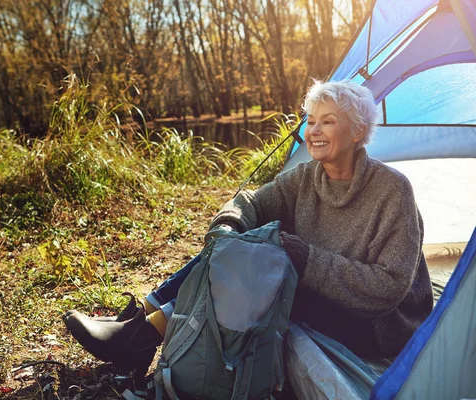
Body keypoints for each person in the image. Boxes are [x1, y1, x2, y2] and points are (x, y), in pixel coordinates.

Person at [62, 80, 433, 383]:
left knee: (267, 282)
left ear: (357, 131)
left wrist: (309, 260)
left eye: (328, 121)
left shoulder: (391, 191)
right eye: (311, 120)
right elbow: (252, 201)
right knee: (233, 243)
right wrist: (229, 223)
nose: (313, 131)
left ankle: (140, 340)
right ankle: (140, 319)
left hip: (380, 325)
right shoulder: (307, 178)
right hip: (325, 292)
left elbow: (387, 290)